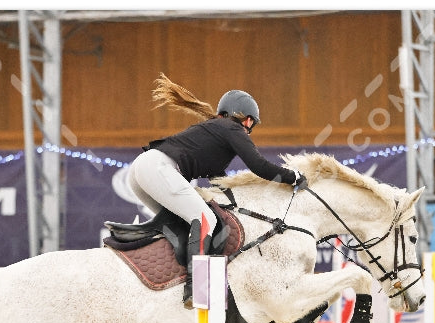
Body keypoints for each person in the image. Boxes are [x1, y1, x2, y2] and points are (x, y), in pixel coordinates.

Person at [128, 74, 307, 309]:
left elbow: (220, 181)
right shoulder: (232, 129)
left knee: (182, 225)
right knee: (205, 221)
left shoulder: (214, 129)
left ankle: (166, 281)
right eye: (252, 122)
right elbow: (260, 167)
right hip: (158, 168)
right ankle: (195, 288)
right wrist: (293, 176)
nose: (250, 128)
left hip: (141, 171)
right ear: (245, 118)